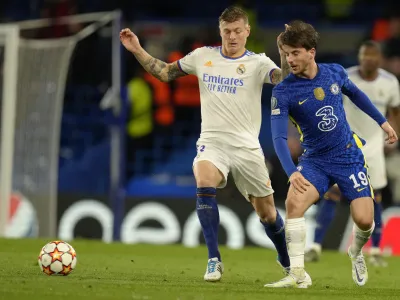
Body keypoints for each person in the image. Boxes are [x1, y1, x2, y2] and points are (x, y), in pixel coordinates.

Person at [120, 6, 293, 282]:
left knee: (268, 215)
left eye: (237, 31)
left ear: (247, 32)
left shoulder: (258, 62)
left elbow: (283, 80)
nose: (232, 36)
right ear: (220, 31)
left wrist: (284, 55)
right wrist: (137, 50)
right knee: (203, 179)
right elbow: (165, 72)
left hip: (246, 147)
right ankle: (214, 260)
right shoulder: (203, 56)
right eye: (227, 31)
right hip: (212, 142)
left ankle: (287, 260)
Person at [264, 21, 398, 288]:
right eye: (287, 54)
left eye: (295, 53)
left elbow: (358, 95)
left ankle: (356, 252)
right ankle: (298, 273)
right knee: (294, 204)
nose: (290, 60)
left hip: (348, 156)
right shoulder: (283, 90)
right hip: (314, 159)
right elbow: (278, 137)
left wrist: (383, 123)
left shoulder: (334, 73)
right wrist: (292, 171)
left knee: (364, 220)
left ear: (311, 52)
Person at [305, 40, 400, 267]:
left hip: (375, 146)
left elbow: (395, 111)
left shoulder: (390, 82)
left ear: (379, 59)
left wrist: (392, 136)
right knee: (335, 193)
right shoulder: (346, 77)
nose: (368, 59)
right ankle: (316, 245)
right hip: (347, 145)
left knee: (374, 197)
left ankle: (375, 251)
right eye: (363, 55)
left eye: (372, 56)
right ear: (359, 57)